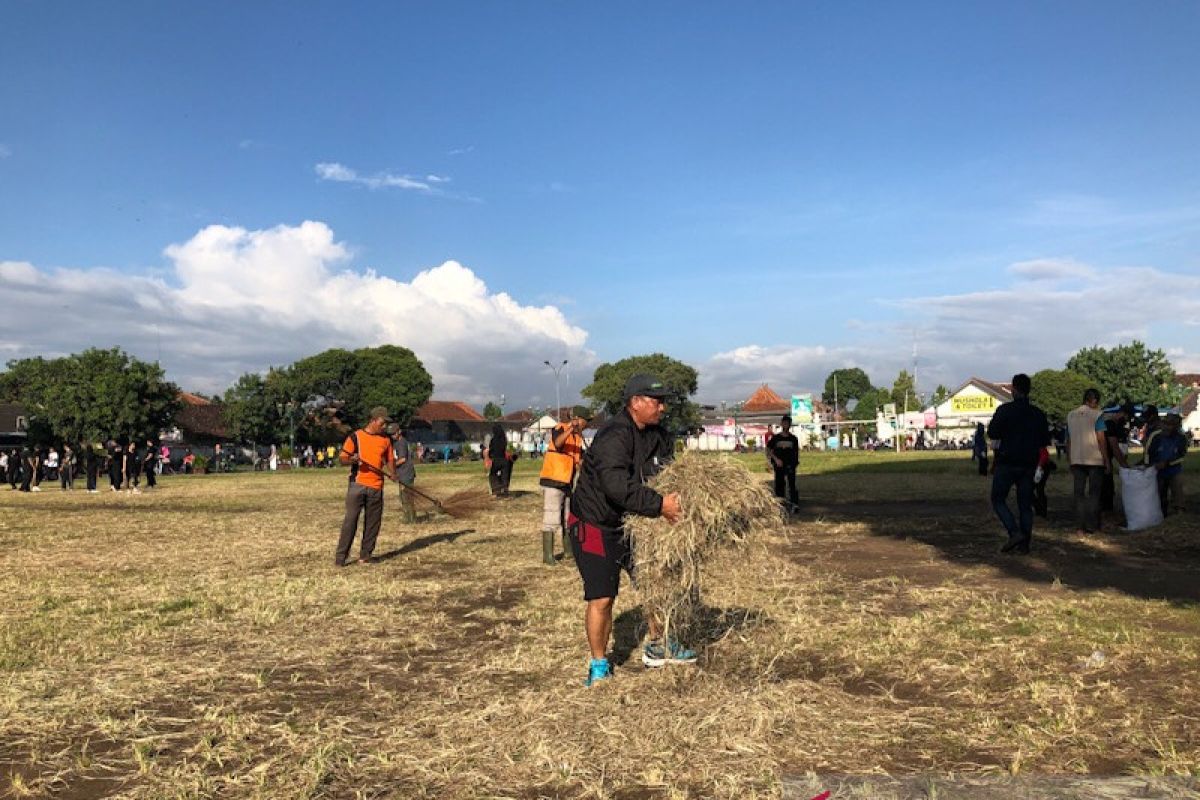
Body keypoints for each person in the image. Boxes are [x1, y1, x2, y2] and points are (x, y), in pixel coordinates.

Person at [568, 373, 687, 686]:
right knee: (603, 597)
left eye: (664, 402)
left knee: (654, 582)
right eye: (656, 401)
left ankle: (658, 645)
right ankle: (598, 664)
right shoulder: (614, 435)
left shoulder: (655, 433)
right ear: (636, 402)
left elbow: (664, 470)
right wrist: (659, 505)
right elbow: (616, 485)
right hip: (594, 524)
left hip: (631, 520)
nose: (662, 408)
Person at [986, 373, 1051, 554]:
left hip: (1007, 461)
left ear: (1013, 389)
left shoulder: (1004, 410)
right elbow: (1044, 441)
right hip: (1029, 464)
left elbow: (993, 433)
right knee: (1025, 505)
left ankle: (1014, 532)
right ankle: (1025, 545)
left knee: (998, 499)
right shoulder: (1038, 414)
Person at [336, 406, 396, 566]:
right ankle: (341, 558)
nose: (385, 427)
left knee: (373, 523)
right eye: (382, 423)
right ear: (373, 420)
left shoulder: (386, 440)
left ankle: (365, 555)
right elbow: (342, 459)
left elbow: (390, 458)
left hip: (377, 486)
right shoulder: (355, 437)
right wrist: (353, 460)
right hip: (358, 485)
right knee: (351, 521)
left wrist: (392, 472)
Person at [539, 414, 589, 566]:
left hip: (567, 482)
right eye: (585, 421)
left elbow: (579, 461)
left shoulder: (578, 439)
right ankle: (547, 556)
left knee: (568, 518)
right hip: (553, 479)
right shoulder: (560, 428)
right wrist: (570, 429)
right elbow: (558, 443)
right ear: (577, 419)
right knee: (551, 517)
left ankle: (568, 551)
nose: (585, 425)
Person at [1066, 388, 1107, 534]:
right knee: (1094, 494)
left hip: (1076, 459)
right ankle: (1092, 525)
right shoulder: (1097, 415)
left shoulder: (1070, 415)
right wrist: (1106, 459)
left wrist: (1069, 459)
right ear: (1094, 401)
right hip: (1094, 459)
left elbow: (1069, 440)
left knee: (1079, 494)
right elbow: (1101, 439)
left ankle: (1079, 527)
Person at [1146, 413, 1187, 516]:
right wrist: (1148, 465)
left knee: (1178, 491)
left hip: (1174, 470)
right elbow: (1147, 452)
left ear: (1176, 427)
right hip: (1157, 470)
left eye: (1170, 425)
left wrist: (1168, 463)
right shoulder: (1155, 436)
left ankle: (1179, 512)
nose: (1167, 427)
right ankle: (1161, 513)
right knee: (1159, 493)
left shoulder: (1181, 437)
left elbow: (1182, 455)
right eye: (1165, 424)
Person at [1101, 402, 1134, 515]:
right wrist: (1124, 465)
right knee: (1107, 489)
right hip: (1102, 461)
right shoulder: (1110, 424)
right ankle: (1106, 515)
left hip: (1101, 459)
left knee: (1104, 488)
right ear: (1123, 414)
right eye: (1127, 417)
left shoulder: (1108, 422)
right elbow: (1114, 447)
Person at [766, 415, 800, 509]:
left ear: (790, 425)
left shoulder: (793, 439)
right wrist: (775, 459)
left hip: (790, 464)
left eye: (788, 423)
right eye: (784, 423)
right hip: (779, 464)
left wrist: (795, 463)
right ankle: (780, 503)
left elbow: (796, 452)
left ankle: (794, 503)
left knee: (792, 484)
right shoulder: (776, 438)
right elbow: (768, 449)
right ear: (781, 424)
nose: (786, 425)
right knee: (779, 484)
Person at [390, 424, 418, 524]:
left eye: (394, 433)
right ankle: (409, 517)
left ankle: (410, 518)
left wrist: (392, 466)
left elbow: (402, 459)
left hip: (406, 473)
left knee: (407, 497)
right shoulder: (397, 442)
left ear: (399, 431)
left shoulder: (401, 443)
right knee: (404, 497)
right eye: (391, 434)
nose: (392, 435)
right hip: (402, 473)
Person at [487, 423, 513, 497]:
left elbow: (491, 450)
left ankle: (496, 490)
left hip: (496, 460)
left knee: (492, 475)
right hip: (504, 460)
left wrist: (489, 456)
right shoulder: (504, 439)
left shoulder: (493, 440)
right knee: (504, 476)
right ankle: (505, 490)